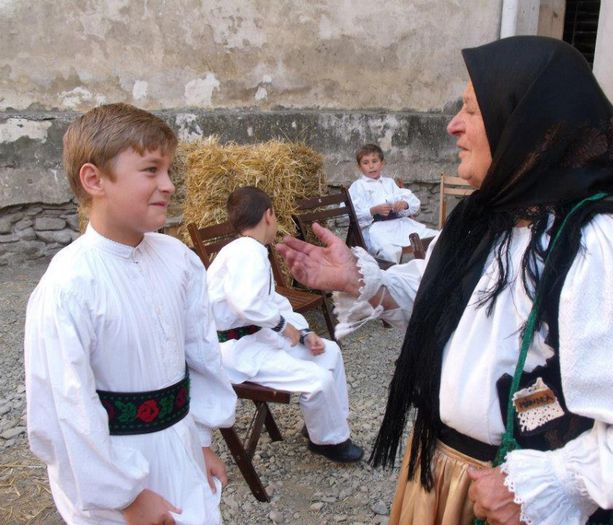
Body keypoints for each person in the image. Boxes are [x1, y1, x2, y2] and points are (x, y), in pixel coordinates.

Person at [278, 36, 613, 525]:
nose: (453, 125)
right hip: (442, 476)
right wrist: (363, 282)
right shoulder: (483, 219)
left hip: (520, 501)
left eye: (472, 110)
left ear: (525, 125)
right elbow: (440, 300)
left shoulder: (605, 246)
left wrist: (558, 482)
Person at [24, 103, 237, 525]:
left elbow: (201, 354)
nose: (169, 185)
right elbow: (64, 408)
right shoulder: (69, 286)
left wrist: (201, 441)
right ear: (94, 179)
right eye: (151, 170)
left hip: (180, 450)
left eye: (169, 171)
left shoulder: (179, 260)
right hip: (117, 477)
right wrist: (125, 497)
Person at [206, 186, 364, 463]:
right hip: (237, 350)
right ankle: (329, 441)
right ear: (269, 215)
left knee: (330, 352)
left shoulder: (249, 250)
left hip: (256, 338)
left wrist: (302, 333)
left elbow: (272, 302)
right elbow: (247, 303)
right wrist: (283, 327)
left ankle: (323, 425)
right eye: (276, 216)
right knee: (318, 380)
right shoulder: (247, 252)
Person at [349, 143, 438, 264]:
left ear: (382, 163)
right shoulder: (358, 186)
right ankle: (391, 274)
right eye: (365, 163)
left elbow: (413, 202)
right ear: (359, 167)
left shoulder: (389, 183)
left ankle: (430, 270)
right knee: (390, 251)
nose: (371, 166)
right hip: (377, 230)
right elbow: (351, 214)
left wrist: (404, 204)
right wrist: (373, 210)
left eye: (374, 161)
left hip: (399, 225)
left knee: (435, 237)